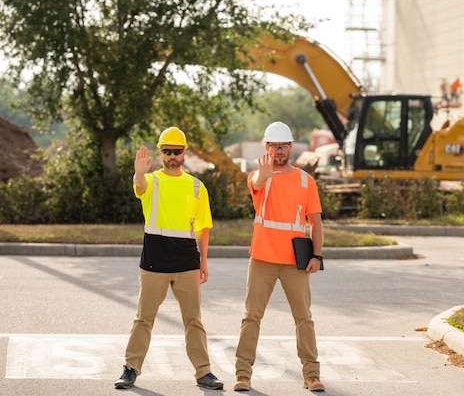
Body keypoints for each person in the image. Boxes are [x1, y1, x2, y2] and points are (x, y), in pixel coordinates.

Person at [114, 127, 223, 390]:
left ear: (184, 152)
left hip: (186, 263)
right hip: (155, 262)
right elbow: (139, 187)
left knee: (193, 320)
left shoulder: (197, 186)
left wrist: (203, 262)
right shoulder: (151, 181)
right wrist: (139, 172)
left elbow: (203, 228)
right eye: (167, 151)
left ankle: (204, 372)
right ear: (160, 152)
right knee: (144, 318)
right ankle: (130, 369)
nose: (172, 156)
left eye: (177, 151)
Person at [234, 121, 325, 392]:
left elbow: (316, 223)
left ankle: (311, 375)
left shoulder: (305, 181)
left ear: (291, 147)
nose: (280, 151)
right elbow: (256, 182)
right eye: (275, 146)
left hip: (294, 263)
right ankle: (243, 374)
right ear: (267, 148)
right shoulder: (259, 176)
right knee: (251, 317)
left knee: (304, 318)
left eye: (284, 146)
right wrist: (263, 175)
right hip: (262, 258)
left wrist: (317, 256)